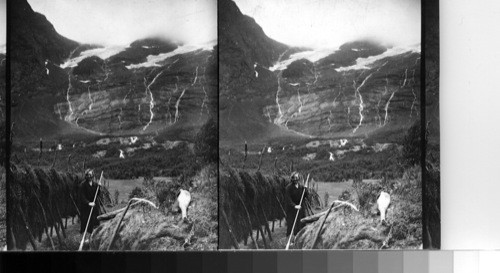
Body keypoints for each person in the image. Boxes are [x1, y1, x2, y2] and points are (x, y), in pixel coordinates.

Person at [285, 171, 308, 240]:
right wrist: (295, 206)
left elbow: (304, 196)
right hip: (292, 209)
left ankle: (299, 238)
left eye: (297, 177)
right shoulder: (288, 188)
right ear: (292, 178)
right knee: (291, 224)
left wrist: (305, 189)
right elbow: (288, 200)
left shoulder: (301, 187)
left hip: (300, 208)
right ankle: (289, 238)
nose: (296, 179)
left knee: (300, 223)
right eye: (294, 177)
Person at [78, 169, 100, 236]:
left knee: (94, 221)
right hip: (85, 206)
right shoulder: (82, 185)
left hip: (94, 206)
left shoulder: (95, 184)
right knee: (85, 221)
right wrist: (88, 203)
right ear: (86, 175)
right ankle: (84, 236)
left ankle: (93, 234)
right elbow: (82, 197)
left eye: (91, 174)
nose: (90, 176)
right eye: (88, 175)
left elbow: (98, 193)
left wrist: (99, 187)